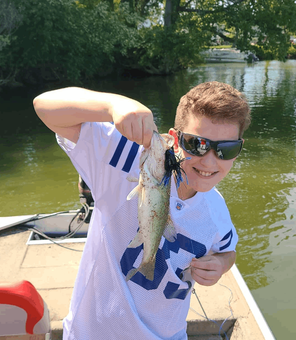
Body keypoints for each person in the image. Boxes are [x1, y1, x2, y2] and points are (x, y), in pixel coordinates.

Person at [33, 81, 251, 340]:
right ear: (174, 138)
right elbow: (44, 107)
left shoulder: (216, 211)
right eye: (197, 144)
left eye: (226, 149)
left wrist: (220, 264)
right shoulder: (129, 161)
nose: (210, 160)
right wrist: (113, 105)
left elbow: (228, 251)